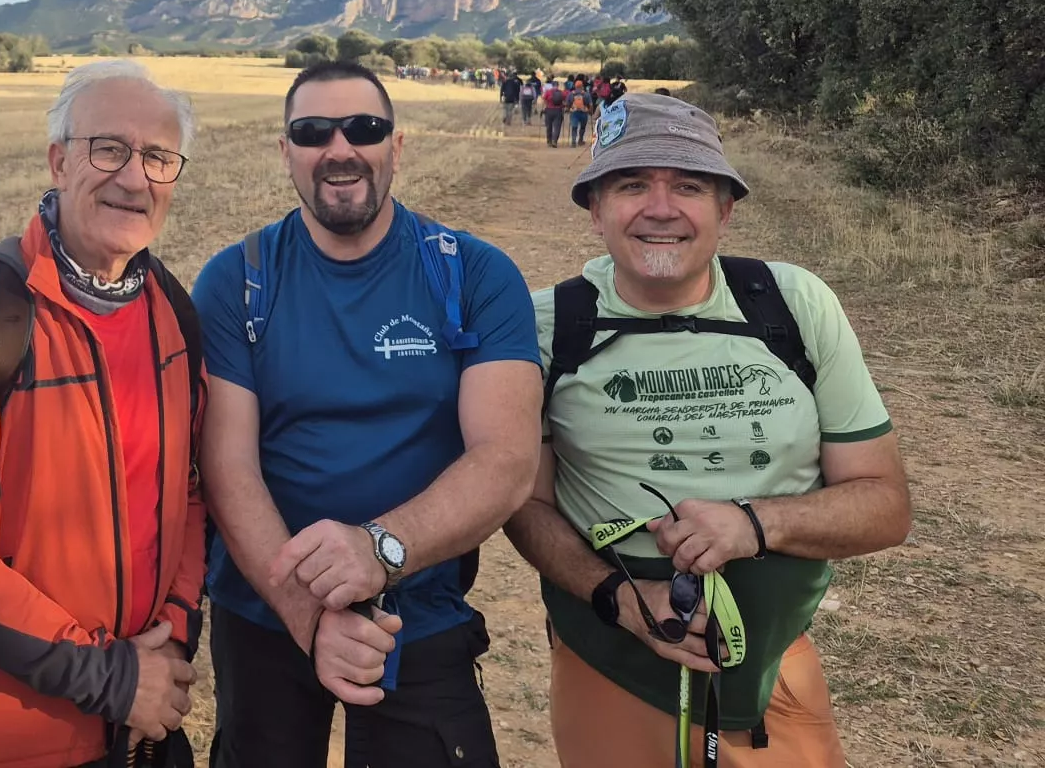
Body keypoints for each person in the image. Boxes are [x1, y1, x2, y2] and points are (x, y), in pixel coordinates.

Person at [504, 93, 911, 766]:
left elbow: (885, 505)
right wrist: (618, 598)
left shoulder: (794, 306)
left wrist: (753, 524)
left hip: (772, 658)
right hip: (611, 657)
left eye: (688, 186)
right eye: (631, 184)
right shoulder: (544, 327)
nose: (659, 207)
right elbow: (523, 501)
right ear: (595, 209)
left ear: (725, 210)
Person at [194, 59, 542, 767]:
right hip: (263, 609)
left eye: (365, 128)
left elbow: (506, 461)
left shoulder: (473, 275)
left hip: (418, 612)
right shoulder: (236, 280)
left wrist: (381, 549)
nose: (340, 148)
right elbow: (226, 467)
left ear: (398, 146)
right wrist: (309, 615)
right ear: (286, 150)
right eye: (313, 131)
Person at [0, 59, 206, 768]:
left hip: (136, 728)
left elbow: (187, 491)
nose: (134, 178)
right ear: (59, 160)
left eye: (158, 157)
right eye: (109, 149)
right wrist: (110, 677)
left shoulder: (174, 314)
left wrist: (172, 636)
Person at [542, 79, 567, 148]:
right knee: (557, 127)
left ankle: (549, 141)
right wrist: (564, 106)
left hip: (549, 110)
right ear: (558, 85)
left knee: (549, 127)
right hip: (558, 111)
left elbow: (544, 99)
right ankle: (554, 141)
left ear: (552, 85)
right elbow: (565, 101)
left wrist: (545, 106)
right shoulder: (561, 93)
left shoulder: (548, 92)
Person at [567, 83, 592, 147]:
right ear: (582, 86)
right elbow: (590, 104)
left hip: (574, 112)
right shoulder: (586, 94)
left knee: (574, 127)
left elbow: (568, 104)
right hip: (584, 112)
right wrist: (590, 111)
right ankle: (580, 140)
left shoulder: (571, 94)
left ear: (575, 86)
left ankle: (573, 142)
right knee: (582, 127)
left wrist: (568, 109)